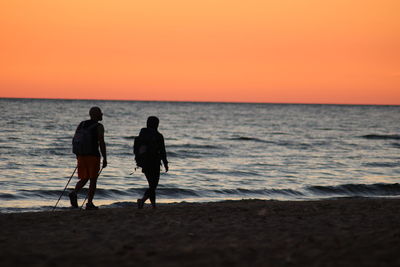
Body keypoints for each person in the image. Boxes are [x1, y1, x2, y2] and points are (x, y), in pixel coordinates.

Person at [69, 107, 107, 210]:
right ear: (95, 115)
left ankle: (74, 192)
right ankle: (89, 203)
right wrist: (105, 158)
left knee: (84, 178)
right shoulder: (99, 126)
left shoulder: (82, 124)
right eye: (100, 113)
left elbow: (75, 139)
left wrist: (77, 154)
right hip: (93, 155)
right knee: (93, 179)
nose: (102, 115)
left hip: (81, 155)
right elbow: (102, 142)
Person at [136, 116, 168, 209]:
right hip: (154, 163)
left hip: (144, 162)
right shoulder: (159, 136)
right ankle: (142, 200)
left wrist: (139, 160)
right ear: (157, 124)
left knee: (151, 184)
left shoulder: (142, 133)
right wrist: (165, 163)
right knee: (153, 185)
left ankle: (153, 205)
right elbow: (163, 151)